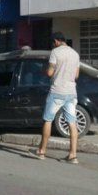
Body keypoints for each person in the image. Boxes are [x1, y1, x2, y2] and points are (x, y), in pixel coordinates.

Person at [30, 32, 81, 164]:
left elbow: (50, 72)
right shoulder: (75, 54)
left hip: (57, 91)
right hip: (71, 93)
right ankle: (73, 155)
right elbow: (76, 75)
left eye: (53, 42)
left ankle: (42, 151)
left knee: (47, 120)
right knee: (72, 123)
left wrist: (44, 71)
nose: (53, 45)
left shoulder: (55, 52)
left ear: (56, 41)